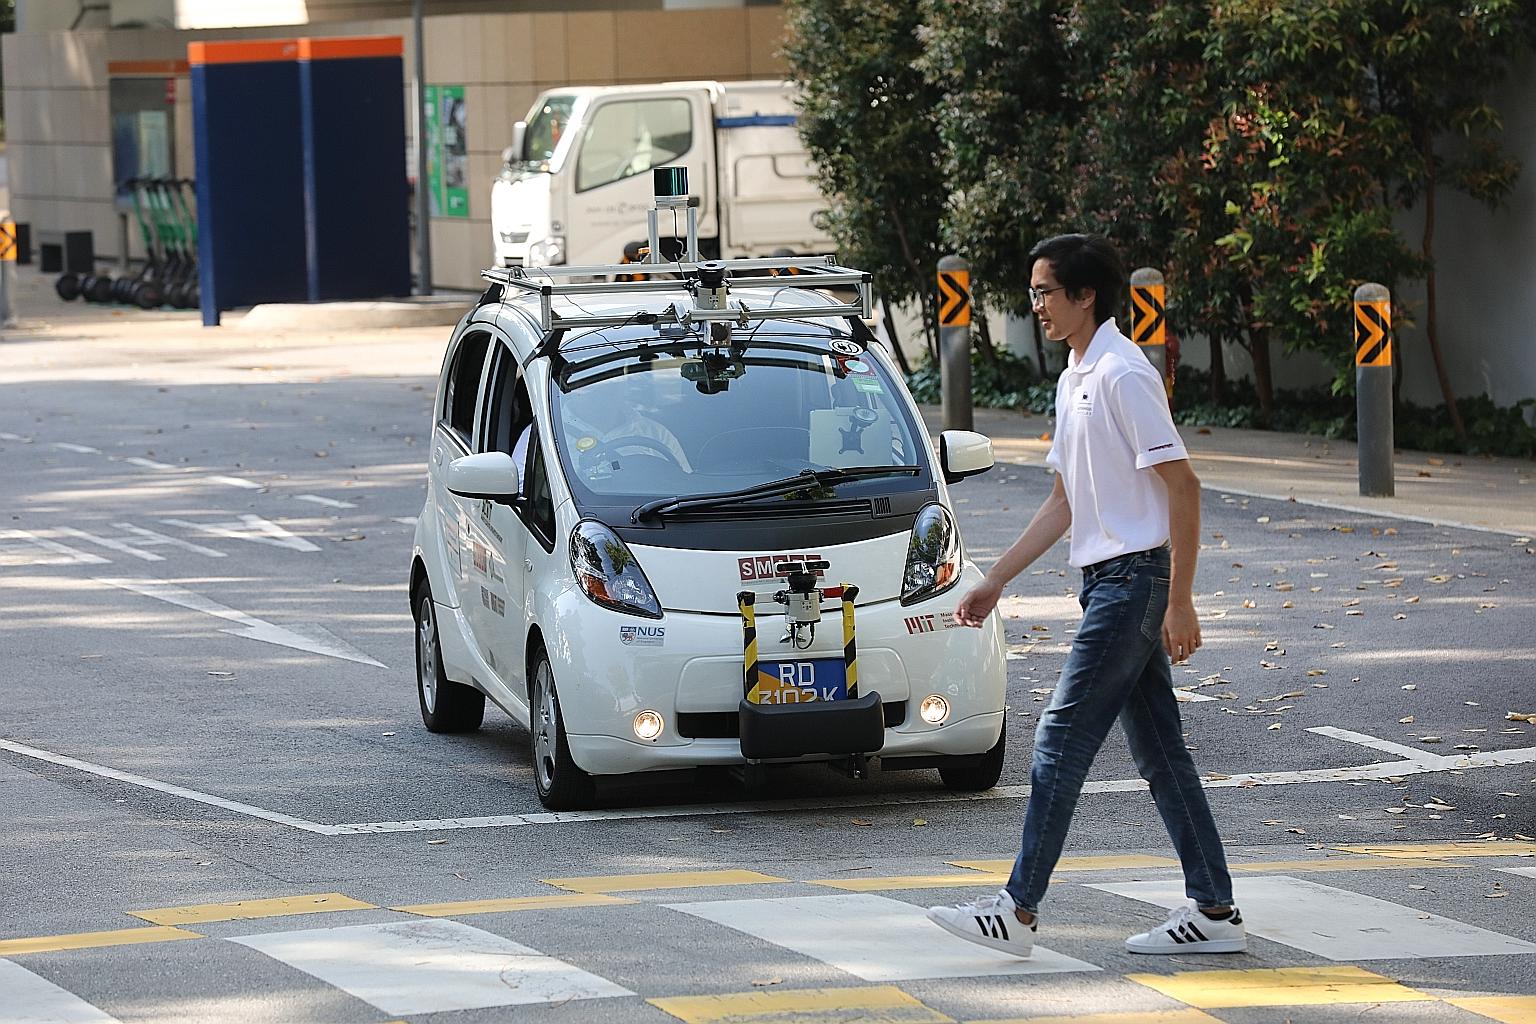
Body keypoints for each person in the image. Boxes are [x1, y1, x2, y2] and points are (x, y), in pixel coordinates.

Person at [926, 234, 1245, 958]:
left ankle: (1017, 910)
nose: (1035, 304)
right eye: (1034, 291)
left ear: (1085, 295)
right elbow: (1065, 501)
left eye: (1044, 291)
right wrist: (995, 579)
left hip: (1135, 582)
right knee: (1162, 754)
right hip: (1109, 581)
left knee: (1060, 739)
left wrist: (1182, 599)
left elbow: (1184, 487)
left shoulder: (1123, 374)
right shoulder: (1075, 376)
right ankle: (1216, 912)